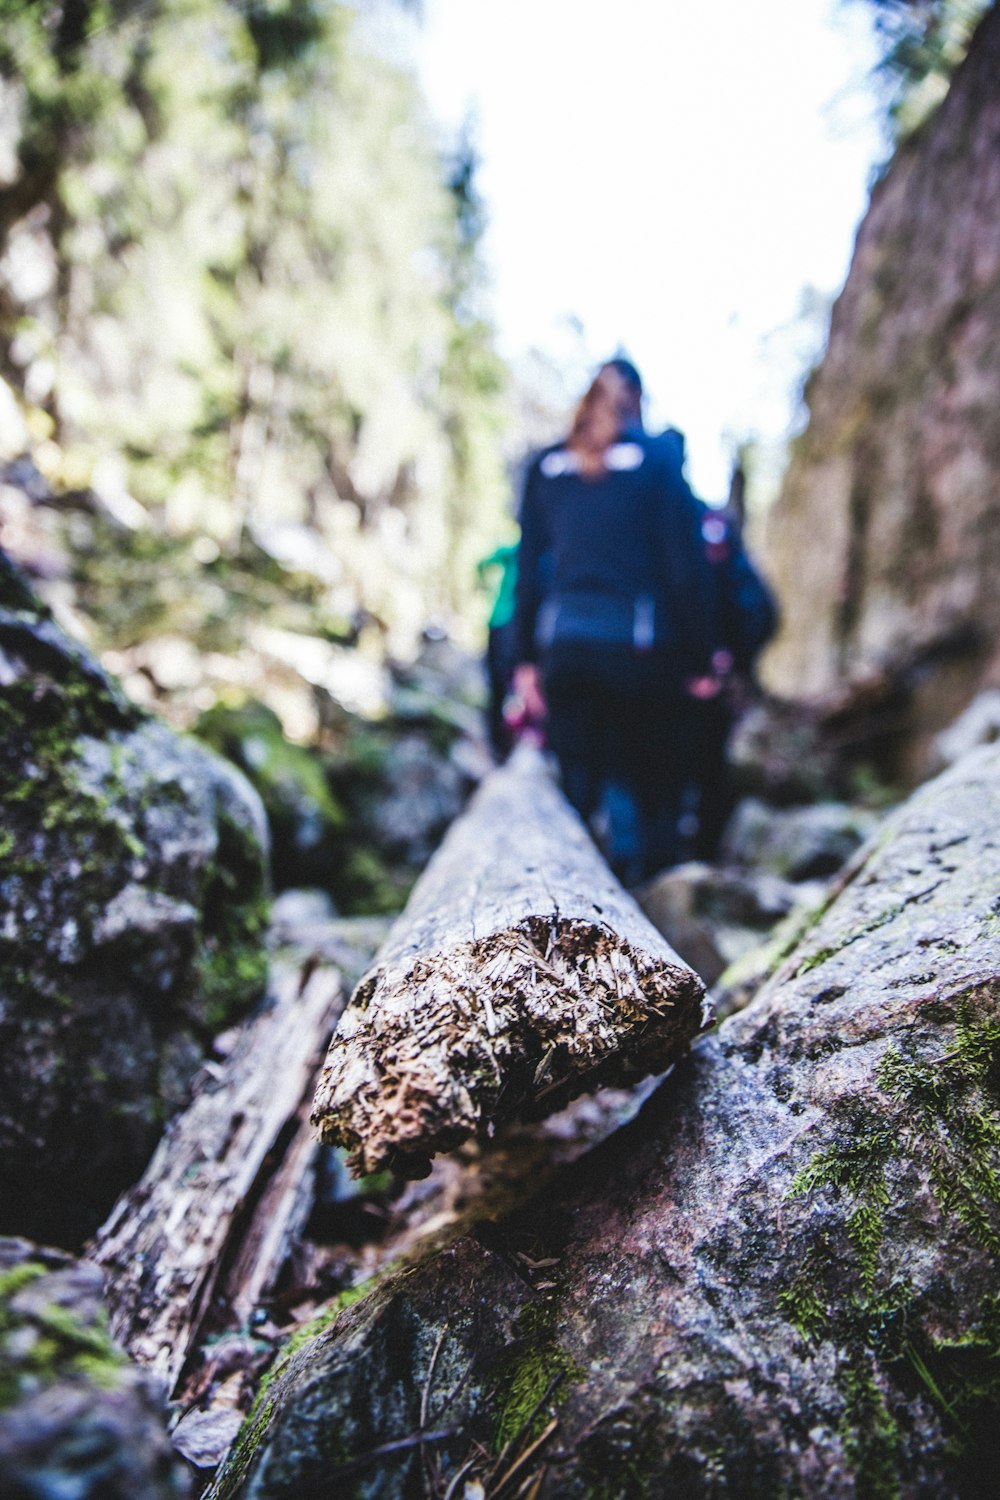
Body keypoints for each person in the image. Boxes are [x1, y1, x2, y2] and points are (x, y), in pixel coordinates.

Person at [511, 361, 715, 883]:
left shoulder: (546, 467)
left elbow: (529, 570)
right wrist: (700, 656)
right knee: (648, 792)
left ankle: (571, 904)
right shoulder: (659, 461)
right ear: (638, 401)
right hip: (641, 656)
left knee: (580, 789)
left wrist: (524, 663)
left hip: (566, 652)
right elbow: (683, 567)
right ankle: (651, 903)